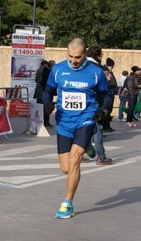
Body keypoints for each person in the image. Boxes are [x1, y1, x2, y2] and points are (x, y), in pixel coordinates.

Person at [42, 38, 108, 219]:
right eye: (70, 56)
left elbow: (107, 93)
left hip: (85, 120)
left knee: (74, 162)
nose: (73, 61)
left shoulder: (95, 72)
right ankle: (87, 146)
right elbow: (48, 90)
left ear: (85, 53)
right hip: (64, 121)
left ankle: (67, 204)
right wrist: (47, 104)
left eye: (77, 57)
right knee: (65, 168)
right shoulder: (57, 70)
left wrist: (103, 110)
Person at [86, 46, 113, 165]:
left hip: (80, 102)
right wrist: (106, 78)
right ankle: (101, 156)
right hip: (94, 101)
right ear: (98, 55)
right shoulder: (97, 69)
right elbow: (103, 89)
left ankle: (79, 154)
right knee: (97, 129)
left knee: (81, 128)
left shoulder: (81, 66)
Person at [102, 57, 118, 132]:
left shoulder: (108, 71)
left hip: (110, 92)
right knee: (107, 110)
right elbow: (110, 82)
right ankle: (105, 126)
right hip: (108, 92)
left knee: (108, 110)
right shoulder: (106, 71)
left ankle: (106, 125)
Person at [41, 60, 56, 128]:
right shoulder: (47, 71)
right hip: (45, 92)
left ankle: (46, 122)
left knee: (47, 108)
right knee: (46, 108)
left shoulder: (47, 71)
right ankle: (45, 122)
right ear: (51, 66)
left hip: (46, 92)